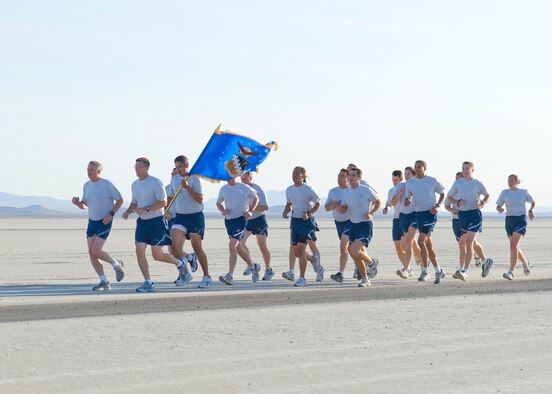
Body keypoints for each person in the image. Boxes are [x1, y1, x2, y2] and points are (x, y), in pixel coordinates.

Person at [122, 157, 191, 293]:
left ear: (147, 168)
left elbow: (163, 202)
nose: (137, 169)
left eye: (139, 167)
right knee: (139, 250)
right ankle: (148, 282)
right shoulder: (135, 184)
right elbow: (134, 202)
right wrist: (128, 211)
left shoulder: (155, 182)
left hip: (156, 222)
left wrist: (147, 208)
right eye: (135, 167)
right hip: (142, 223)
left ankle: (180, 263)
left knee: (157, 256)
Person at [72, 160, 125, 291]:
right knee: (91, 253)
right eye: (87, 169)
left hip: (104, 221)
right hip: (92, 221)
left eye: (91, 169)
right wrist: (78, 203)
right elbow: (85, 204)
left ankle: (116, 264)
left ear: (99, 171)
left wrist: (111, 213)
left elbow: (120, 200)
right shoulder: (86, 185)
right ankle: (104, 281)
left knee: (96, 251)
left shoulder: (106, 184)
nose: (88, 171)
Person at [167, 155, 211, 289]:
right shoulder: (175, 180)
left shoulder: (195, 179)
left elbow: (199, 199)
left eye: (180, 166)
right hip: (180, 217)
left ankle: (206, 276)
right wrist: (167, 210)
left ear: (186, 165)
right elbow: (170, 197)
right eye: (176, 167)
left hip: (195, 217)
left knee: (197, 247)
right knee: (174, 247)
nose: (178, 169)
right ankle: (185, 271)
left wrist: (187, 187)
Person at [446, 161, 493, 280]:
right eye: (463, 168)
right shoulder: (457, 183)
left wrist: (482, 203)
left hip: (474, 214)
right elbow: (449, 197)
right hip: (463, 215)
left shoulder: (477, 183)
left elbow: (488, 196)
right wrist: (456, 202)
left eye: (467, 168)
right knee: (468, 243)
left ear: (472, 170)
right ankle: (485, 261)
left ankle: (464, 271)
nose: (465, 170)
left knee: (468, 242)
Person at [404, 160, 446, 284]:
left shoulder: (432, 180)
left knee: (420, 241)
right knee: (428, 245)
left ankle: (425, 271)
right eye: (415, 167)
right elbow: (408, 197)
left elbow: (442, 193)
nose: (417, 169)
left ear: (424, 168)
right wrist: (407, 201)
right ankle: (438, 270)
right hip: (418, 214)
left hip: (430, 214)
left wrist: (437, 205)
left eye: (419, 167)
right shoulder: (410, 183)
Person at [338, 167, 380, 287]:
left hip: (365, 224)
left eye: (353, 176)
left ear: (359, 178)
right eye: (349, 175)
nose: (350, 178)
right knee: (353, 252)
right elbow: (344, 208)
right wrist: (339, 208)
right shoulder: (345, 192)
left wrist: (371, 213)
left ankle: (372, 262)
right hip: (353, 224)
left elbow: (378, 201)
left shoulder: (365, 190)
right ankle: (365, 279)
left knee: (355, 250)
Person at [282, 166, 324, 287]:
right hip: (295, 221)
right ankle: (313, 259)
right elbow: (289, 204)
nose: (294, 175)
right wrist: (286, 211)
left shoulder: (308, 189)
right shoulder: (289, 190)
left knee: (300, 249)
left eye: (297, 173)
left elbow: (318, 203)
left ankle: (302, 278)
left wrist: (309, 213)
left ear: (303, 176)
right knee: (296, 253)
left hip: (306, 222)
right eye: (293, 173)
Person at [217, 177, 260, 285]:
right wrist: (223, 210)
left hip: (240, 219)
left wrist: (251, 211)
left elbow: (256, 198)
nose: (228, 177)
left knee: (232, 245)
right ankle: (253, 266)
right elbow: (218, 203)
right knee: (239, 248)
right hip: (228, 221)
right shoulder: (224, 189)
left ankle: (230, 275)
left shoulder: (243, 187)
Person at [496, 174, 536, 280]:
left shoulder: (523, 192)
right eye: (508, 180)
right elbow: (498, 205)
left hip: (520, 220)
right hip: (509, 221)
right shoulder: (505, 192)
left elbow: (533, 202)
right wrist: (499, 209)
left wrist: (531, 210)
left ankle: (511, 272)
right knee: (515, 247)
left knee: (513, 246)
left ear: (517, 182)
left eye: (512, 180)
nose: (510, 182)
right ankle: (524, 262)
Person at [240, 171, 274, 281]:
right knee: (239, 243)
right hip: (247, 221)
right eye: (241, 179)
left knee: (262, 246)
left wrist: (251, 208)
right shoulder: (241, 189)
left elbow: (265, 207)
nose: (243, 181)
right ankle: (252, 265)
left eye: (245, 179)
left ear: (250, 178)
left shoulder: (258, 189)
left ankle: (269, 269)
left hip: (259, 220)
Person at [392, 166, 422, 279]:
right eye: (405, 174)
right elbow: (393, 201)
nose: (406, 176)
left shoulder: (418, 186)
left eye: (408, 173)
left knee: (409, 242)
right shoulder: (400, 186)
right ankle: (413, 264)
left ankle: (411, 268)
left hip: (415, 216)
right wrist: (400, 194)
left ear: (414, 175)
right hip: (401, 217)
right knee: (402, 245)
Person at [326, 169, 351, 283]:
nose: (340, 178)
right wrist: (333, 205)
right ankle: (367, 264)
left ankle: (340, 273)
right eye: (338, 176)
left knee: (343, 247)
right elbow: (326, 207)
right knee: (350, 248)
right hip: (338, 223)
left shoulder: (351, 191)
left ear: (347, 179)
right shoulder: (333, 191)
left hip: (350, 222)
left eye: (342, 176)